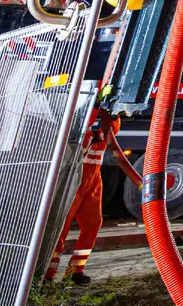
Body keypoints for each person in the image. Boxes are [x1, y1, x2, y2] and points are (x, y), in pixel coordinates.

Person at [45, 105, 139, 284]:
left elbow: (112, 132)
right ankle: (47, 273)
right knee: (60, 227)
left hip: (93, 177)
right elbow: (81, 130)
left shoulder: (109, 117)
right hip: (74, 176)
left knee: (93, 223)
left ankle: (75, 271)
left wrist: (113, 112)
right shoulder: (86, 111)